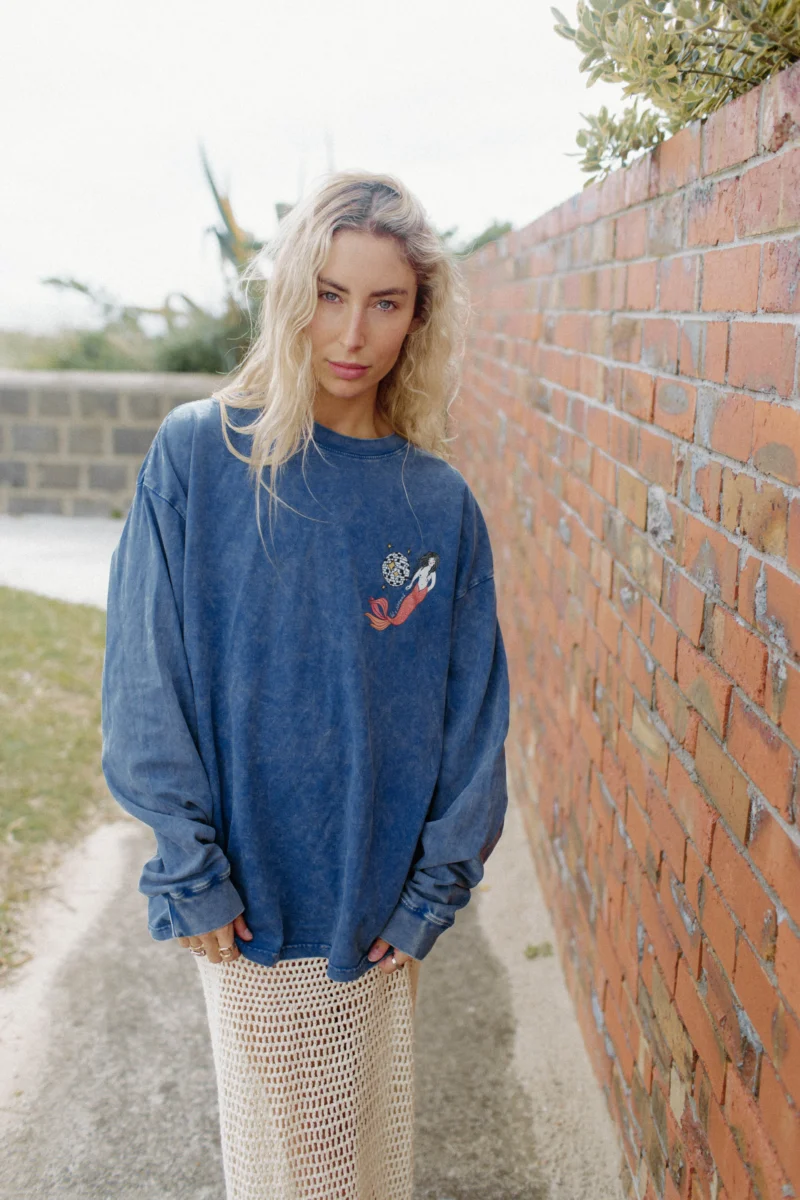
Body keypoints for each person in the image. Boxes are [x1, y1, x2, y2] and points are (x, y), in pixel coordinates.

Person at [100, 168, 510, 1200]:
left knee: (336, 1163)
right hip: (251, 903)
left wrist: (430, 896)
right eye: (329, 294)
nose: (353, 334)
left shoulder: (437, 503)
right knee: (314, 1165)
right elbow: (145, 677)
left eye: (386, 302)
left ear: (419, 317)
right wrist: (190, 868)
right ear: (290, 293)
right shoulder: (201, 454)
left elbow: (471, 721)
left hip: (375, 908)